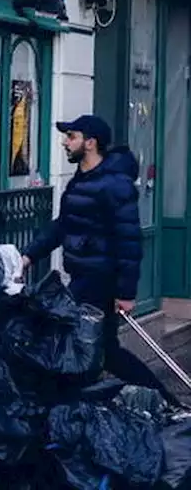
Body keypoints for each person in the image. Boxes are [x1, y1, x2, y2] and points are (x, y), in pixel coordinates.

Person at [21, 115, 175, 401]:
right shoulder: (82, 180)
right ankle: (164, 401)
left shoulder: (114, 185)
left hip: (99, 279)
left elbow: (129, 240)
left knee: (69, 336)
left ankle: (166, 401)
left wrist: (126, 293)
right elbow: (63, 224)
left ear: (90, 143)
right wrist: (28, 256)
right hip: (85, 275)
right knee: (103, 350)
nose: (66, 143)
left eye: (72, 137)